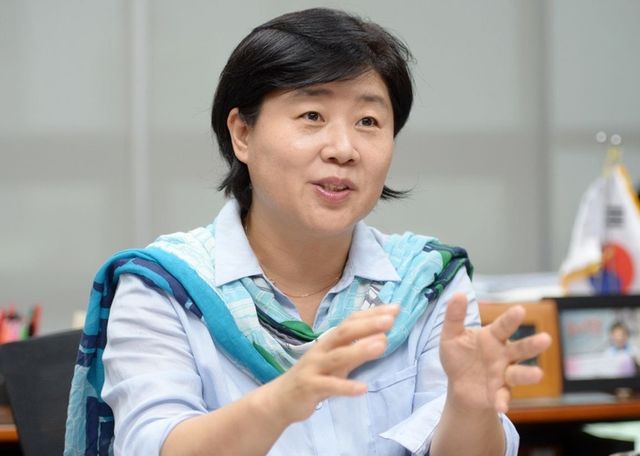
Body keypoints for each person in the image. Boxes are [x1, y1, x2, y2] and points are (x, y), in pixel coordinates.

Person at [64, 8, 551, 456]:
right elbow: (152, 445)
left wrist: (470, 407)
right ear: (242, 134)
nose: (343, 148)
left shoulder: (426, 283)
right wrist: (282, 400)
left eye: (368, 121)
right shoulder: (164, 286)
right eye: (312, 116)